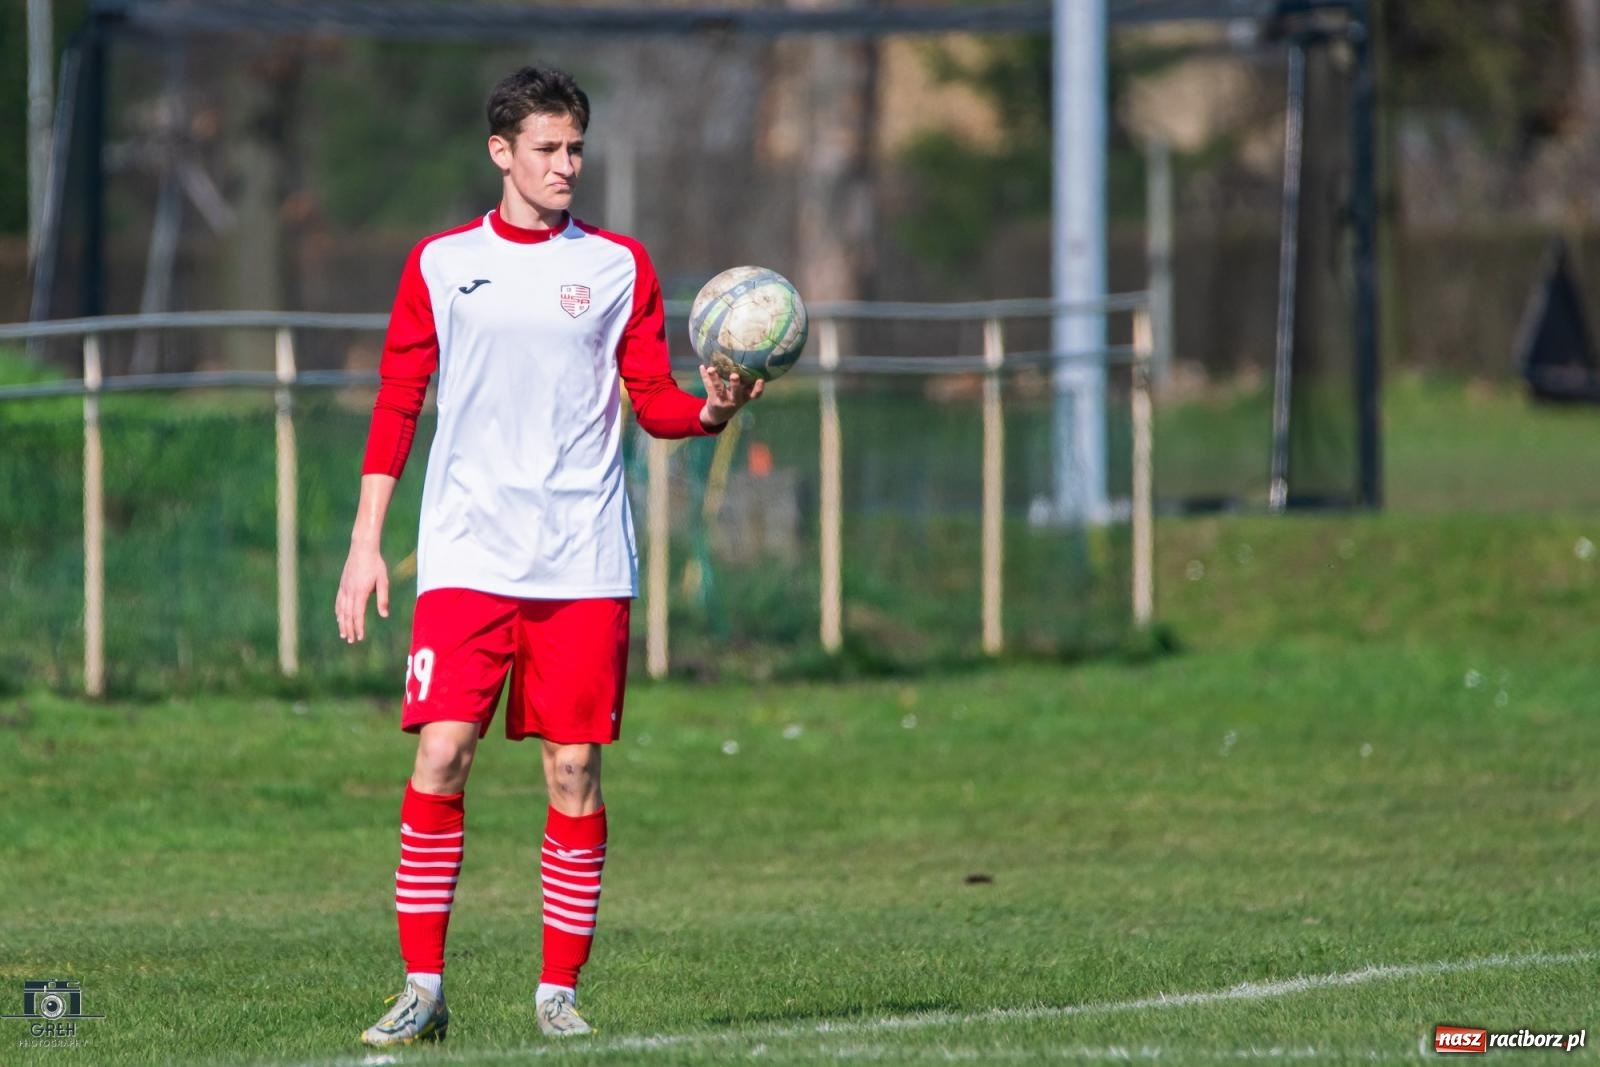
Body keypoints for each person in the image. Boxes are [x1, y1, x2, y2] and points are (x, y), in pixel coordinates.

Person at [336, 65, 762, 1047]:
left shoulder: (618, 266)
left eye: (575, 148)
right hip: (465, 550)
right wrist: (368, 545)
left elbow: (651, 397)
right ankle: (422, 986)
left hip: (580, 555)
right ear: (501, 153)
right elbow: (398, 400)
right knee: (443, 751)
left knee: (573, 770)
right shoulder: (440, 263)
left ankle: (556, 992)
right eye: (546, 149)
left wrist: (711, 409)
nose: (566, 165)